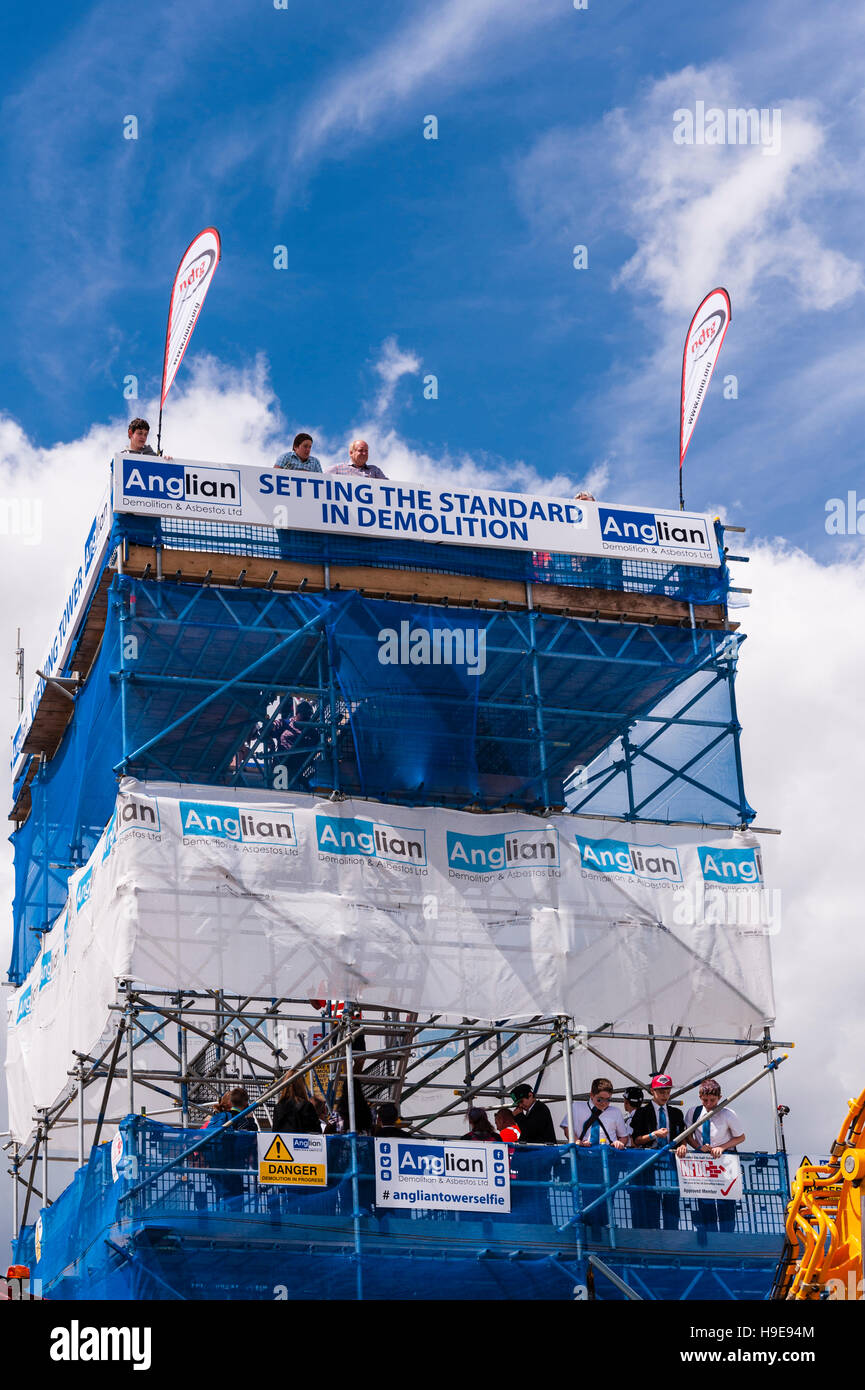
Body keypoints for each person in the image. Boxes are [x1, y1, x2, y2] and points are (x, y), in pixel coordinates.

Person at [676, 1077, 744, 1236]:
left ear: (719, 1098)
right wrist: (698, 1147)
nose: (709, 1104)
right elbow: (688, 1135)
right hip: (703, 1163)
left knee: (726, 1202)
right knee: (705, 1200)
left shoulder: (728, 1114)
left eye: (712, 1100)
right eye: (705, 1100)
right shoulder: (694, 1112)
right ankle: (710, 1235)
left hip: (725, 1162)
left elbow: (740, 1137)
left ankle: (727, 1236)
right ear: (700, 1098)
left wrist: (722, 1147)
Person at [629, 1074, 686, 1230]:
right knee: (650, 1201)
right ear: (652, 1091)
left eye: (667, 1092)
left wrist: (682, 1145)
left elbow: (683, 1134)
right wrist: (654, 1135)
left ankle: (672, 1237)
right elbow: (636, 1140)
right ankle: (652, 1238)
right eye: (661, 1092)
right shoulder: (641, 1113)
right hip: (648, 1162)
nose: (665, 1095)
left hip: (669, 1163)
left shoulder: (676, 1113)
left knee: (671, 1200)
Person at [560, 1077, 629, 1148]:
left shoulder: (616, 1112)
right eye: (600, 1099)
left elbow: (623, 1137)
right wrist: (577, 1141)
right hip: (583, 1153)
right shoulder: (576, 1107)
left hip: (608, 1154)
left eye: (608, 1100)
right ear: (591, 1095)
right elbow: (567, 1128)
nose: (604, 1103)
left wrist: (619, 1143)